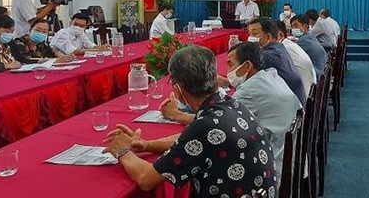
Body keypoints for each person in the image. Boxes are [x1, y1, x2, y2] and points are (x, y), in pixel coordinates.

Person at [103, 45, 277, 197]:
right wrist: (147, 145)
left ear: (177, 91)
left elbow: (146, 179)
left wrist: (123, 151)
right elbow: (187, 139)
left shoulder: (205, 126)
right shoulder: (231, 104)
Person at [228, 42, 301, 175]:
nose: (229, 71)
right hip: (295, 156)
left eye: (231, 65)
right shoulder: (271, 74)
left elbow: (220, 121)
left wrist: (179, 115)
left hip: (274, 167)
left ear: (247, 65)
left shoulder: (249, 91)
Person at [248, 17, 306, 105]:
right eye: (249, 33)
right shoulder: (279, 47)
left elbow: (248, 81)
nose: (250, 38)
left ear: (268, 37)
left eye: (254, 34)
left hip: (293, 110)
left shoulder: (269, 55)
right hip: (294, 102)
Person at [276, 20, 317, 95]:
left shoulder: (280, 50)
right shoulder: (289, 44)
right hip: (309, 90)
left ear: (280, 35)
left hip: (301, 96)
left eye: (256, 34)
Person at [290, 14, 328, 79]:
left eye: (296, 26)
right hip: (321, 72)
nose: (293, 29)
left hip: (316, 76)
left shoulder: (303, 41)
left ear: (305, 26)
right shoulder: (310, 37)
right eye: (292, 26)